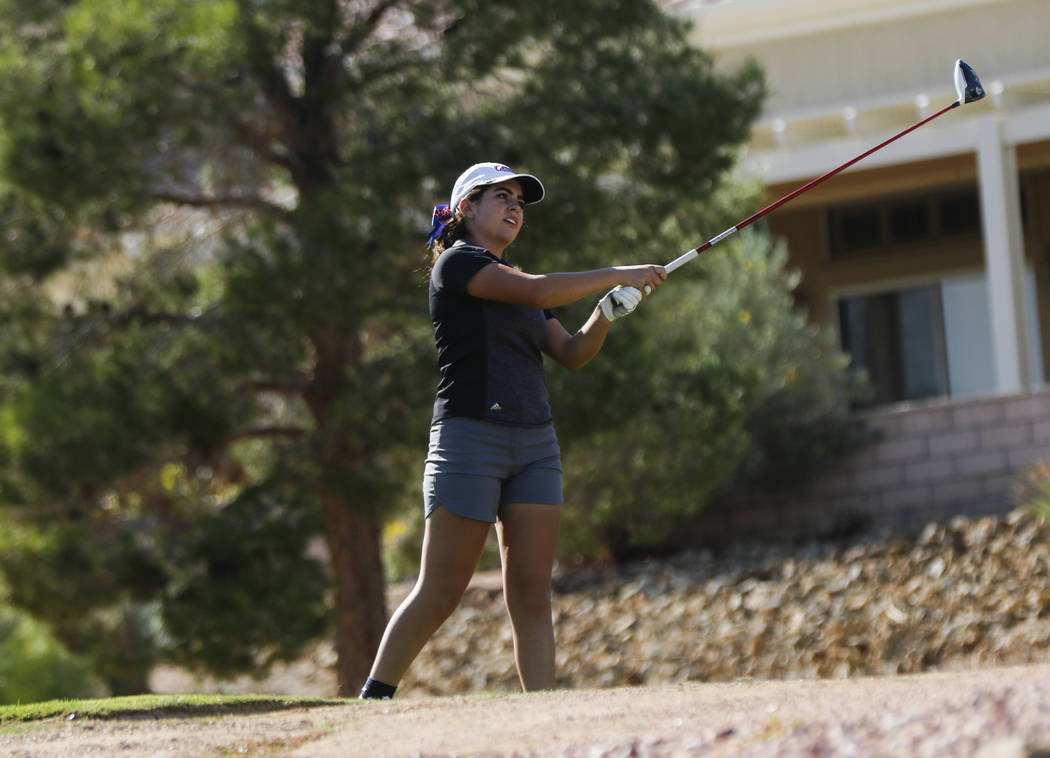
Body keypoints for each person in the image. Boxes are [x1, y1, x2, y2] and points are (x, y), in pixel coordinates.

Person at [359, 162, 666, 700]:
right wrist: (619, 271)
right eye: (501, 196)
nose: (514, 207)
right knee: (441, 590)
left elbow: (570, 353)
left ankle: (541, 711)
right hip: (469, 439)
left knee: (530, 590)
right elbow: (542, 293)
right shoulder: (456, 266)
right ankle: (375, 696)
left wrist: (605, 313)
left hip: (535, 444)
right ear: (466, 209)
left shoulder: (519, 283)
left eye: (519, 201)